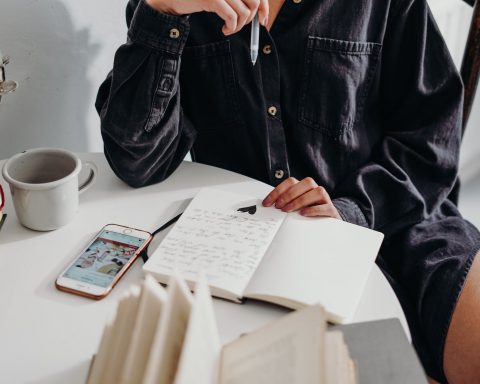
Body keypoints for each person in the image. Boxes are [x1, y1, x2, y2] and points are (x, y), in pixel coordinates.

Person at [95, 0, 480, 382]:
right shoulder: (181, 6)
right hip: (258, 255)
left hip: (405, 219)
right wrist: (165, 13)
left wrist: (350, 212)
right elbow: (138, 162)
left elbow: (430, 140)